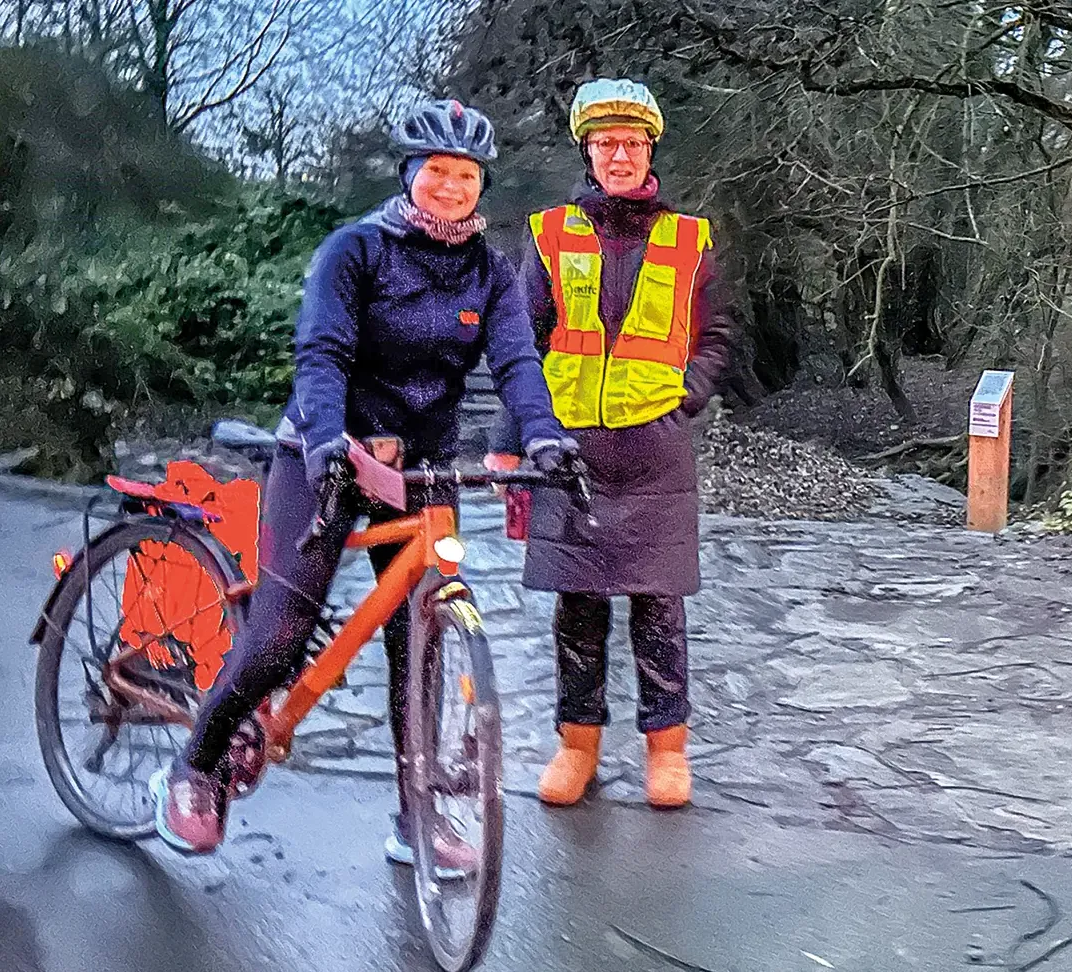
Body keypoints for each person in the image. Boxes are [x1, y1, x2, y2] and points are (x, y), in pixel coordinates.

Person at [151, 100, 577, 866]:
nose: (450, 187)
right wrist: (323, 445)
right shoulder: (356, 251)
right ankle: (195, 765)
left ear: (482, 184)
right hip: (327, 453)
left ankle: (417, 817)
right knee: (279, 634)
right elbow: (321, 354)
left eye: (466, 175)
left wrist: (543, 434)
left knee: (424, 641)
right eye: (436, 171)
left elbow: (516, 361)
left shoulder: (489, 271)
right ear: (410, 174)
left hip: (420, 465)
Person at [486, 78, 732, 809]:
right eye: (605, 144)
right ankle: (576, 746)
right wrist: (510, 442)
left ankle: (668, 749)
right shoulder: (551, 233)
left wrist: (687, 393)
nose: (619, 156)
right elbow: (520, 344)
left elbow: (716, 338)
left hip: (656, 451)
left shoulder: (691, 240)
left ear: (650, 149)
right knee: (578, 608)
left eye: (632, 143)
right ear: (587, 153)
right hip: (570, 454)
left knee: (659, 608)